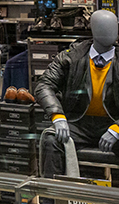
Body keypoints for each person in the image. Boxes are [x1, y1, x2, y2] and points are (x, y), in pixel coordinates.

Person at [38, 9, 119, 177]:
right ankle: (53, 193)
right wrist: (57, 116)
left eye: (113, 27)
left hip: (113, 121)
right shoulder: (71, 57)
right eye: (103, 27)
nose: (110, 31)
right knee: (51, 140)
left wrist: (117, 129)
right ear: (93, 30)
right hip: (79, 123)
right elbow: (44, 85)